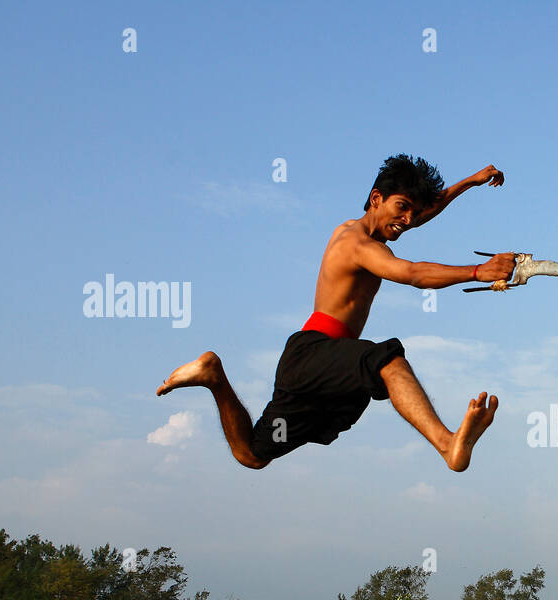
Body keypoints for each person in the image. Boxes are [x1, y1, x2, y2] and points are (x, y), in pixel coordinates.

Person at [156, 154, 515, 471]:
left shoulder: (375, 229)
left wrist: (469, 182)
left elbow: (423, 213)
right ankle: (446, 443)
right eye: (402, 207)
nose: (408, 220)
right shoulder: (357, 243)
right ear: (376, 198)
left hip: (320, 370)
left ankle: (213, 375)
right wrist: (477, 271)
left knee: (252, 454)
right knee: (387, 361)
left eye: (413, 212)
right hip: (313, 352)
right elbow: (412, 274)